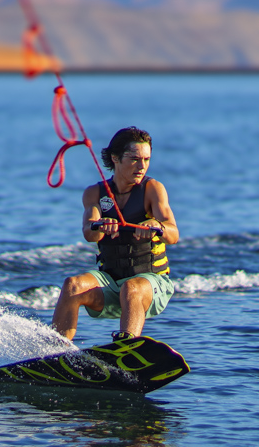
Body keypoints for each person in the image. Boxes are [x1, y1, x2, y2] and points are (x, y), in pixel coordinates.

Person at [53, 126, 180, 342]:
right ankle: (55, 350)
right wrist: (99, 226)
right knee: (71, 285)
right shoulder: (94, 193)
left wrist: (157, 227)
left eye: (147, 159)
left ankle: (126, 346)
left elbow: (174, 234)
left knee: (132, 288)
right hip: (111, 284)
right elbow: (89, 233)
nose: (142, 166)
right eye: (134, 159)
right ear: (115, 158)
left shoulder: (152, 189)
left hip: (152, 283)